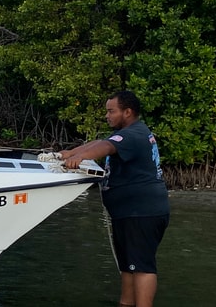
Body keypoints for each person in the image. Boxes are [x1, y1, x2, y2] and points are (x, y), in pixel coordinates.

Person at [60, 90, 170, 307]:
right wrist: (70, 153)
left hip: (142, 213)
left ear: (127, 112)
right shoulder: (128, 133)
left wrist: (80, 158)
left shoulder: (134, 135)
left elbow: (106, 147)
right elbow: (99, 142)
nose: (107, 116)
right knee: (128, 267)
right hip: (130, 213)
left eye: (112, 111)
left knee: (142, 267)